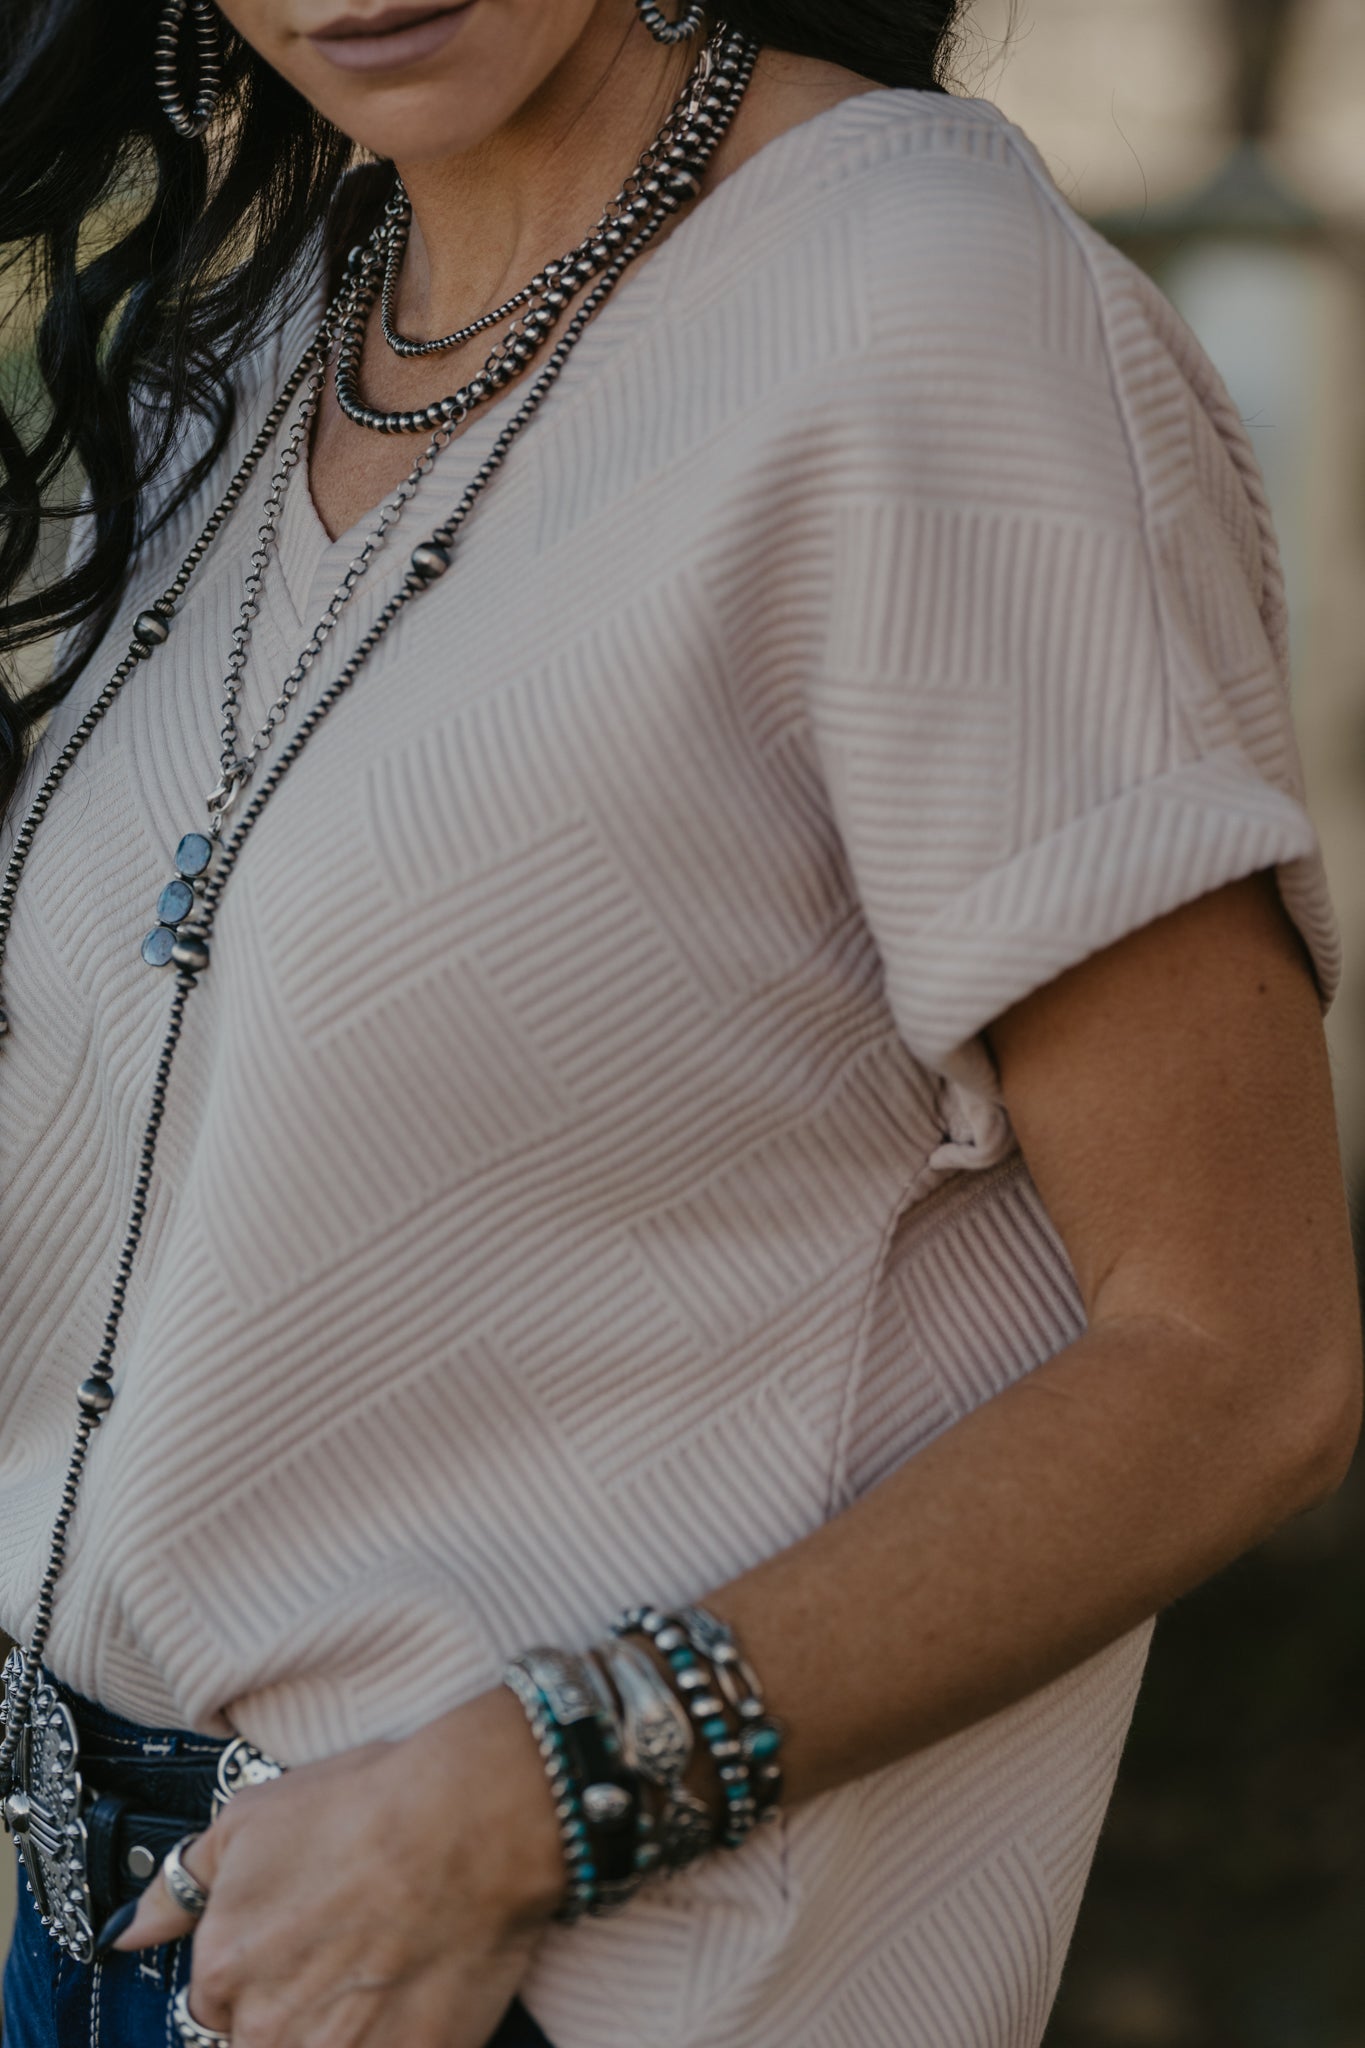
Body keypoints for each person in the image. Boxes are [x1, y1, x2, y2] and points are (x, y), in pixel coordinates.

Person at [0, 2, 1359, 2045]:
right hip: (74, 1910)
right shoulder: (282, 328)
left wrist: (521, 1805)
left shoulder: (931, 317)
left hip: (524, 1959)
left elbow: (1238, 1357)